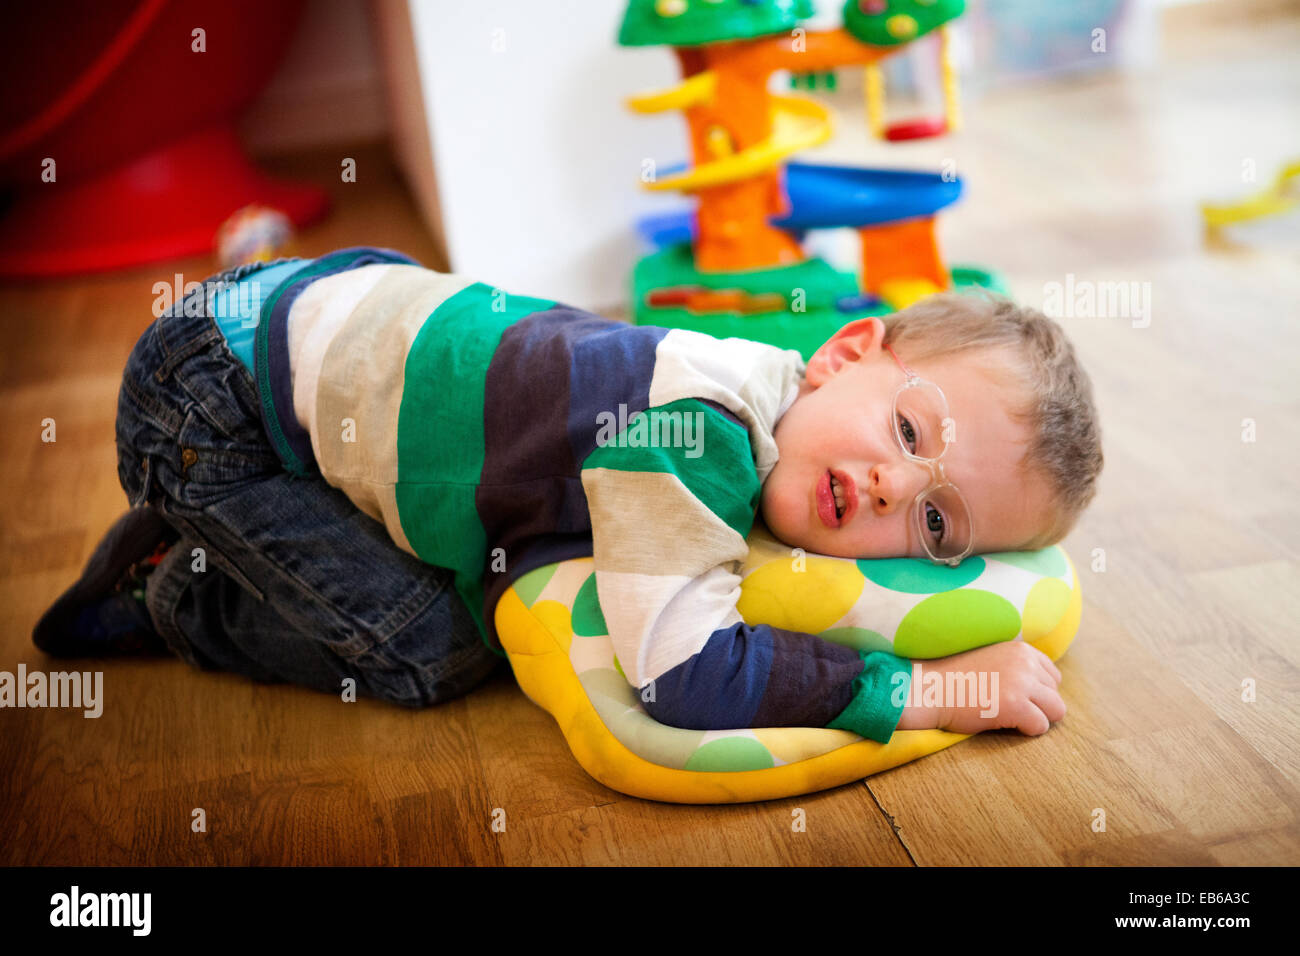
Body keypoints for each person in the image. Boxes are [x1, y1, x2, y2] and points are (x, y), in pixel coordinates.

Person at [34, 247, 1102, 741]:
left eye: (931, 519)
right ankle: (183, 583)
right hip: (211, 398)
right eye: (909, 433)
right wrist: (933, 690)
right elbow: (683, 672)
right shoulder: (700, 434)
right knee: (436, 645)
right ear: (843, 352)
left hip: (303, 308)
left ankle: (235, 524)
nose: (884, 484)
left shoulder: (775, 386)